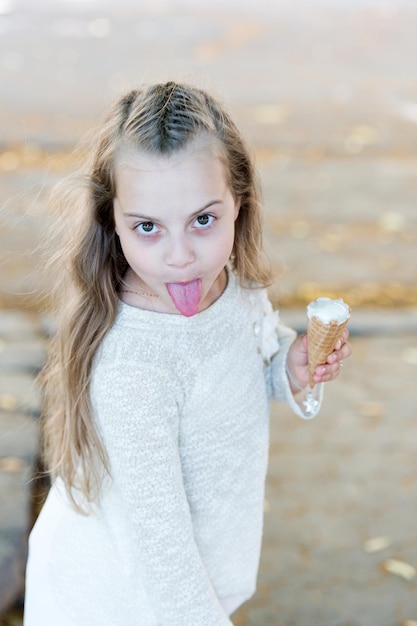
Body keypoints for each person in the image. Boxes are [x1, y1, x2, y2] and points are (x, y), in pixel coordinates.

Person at [24, 81, 352, 626]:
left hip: (198, 587)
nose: (181, 257)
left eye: (204, 219)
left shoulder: (232, 286)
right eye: (148, 228)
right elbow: (164, 558)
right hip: (118, 604)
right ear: (114, 222)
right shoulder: (135, 370)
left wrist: (288, 370)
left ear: (238, 203)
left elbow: (242, 373)